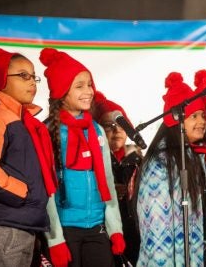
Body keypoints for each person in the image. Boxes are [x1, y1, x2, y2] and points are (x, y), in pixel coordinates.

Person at [136, 72, 206, 267]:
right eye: (194, 116)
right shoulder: (160, 162)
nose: (202, 121)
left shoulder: (204, 156)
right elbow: (156, 228)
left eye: (203, 115)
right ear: (176, 120)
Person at [0, 46, 56, 267]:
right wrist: (23, 192)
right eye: (23, 76)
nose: (32, 82)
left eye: (34, 77)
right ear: (1, 78)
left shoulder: (20, 119)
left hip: (21, 221)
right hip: (4, 224)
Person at [39, 47, 125, 267]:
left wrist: (115, 229)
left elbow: (106, 181)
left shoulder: (96, 130)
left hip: (97, 227)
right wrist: (55, 239)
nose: (88, 91)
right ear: (61, 92)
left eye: (89, 84)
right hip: (66, 230)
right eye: (79, 86)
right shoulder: (48, 132)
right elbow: (46, 191)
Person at [92, 91, 142, 266]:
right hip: (105, 234)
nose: (116, 130)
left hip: (135, 232)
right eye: (108, 125)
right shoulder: (92, 160)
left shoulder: (138, 159)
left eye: (121, 124)